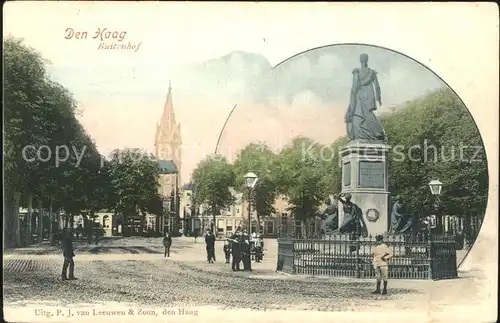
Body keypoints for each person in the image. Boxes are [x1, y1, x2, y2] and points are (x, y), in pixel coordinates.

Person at [344, 53, 387, 142]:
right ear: (367, 60)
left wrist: (352, 97)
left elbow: (355, 86)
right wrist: (378, 98)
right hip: (369, 96)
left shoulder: (357, 71)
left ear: (360, 60)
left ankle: (375, 134)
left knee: (358, 115)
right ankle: (378, 133)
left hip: (359, 95)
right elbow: (377, 86)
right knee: (368, 114)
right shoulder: (372, 72)